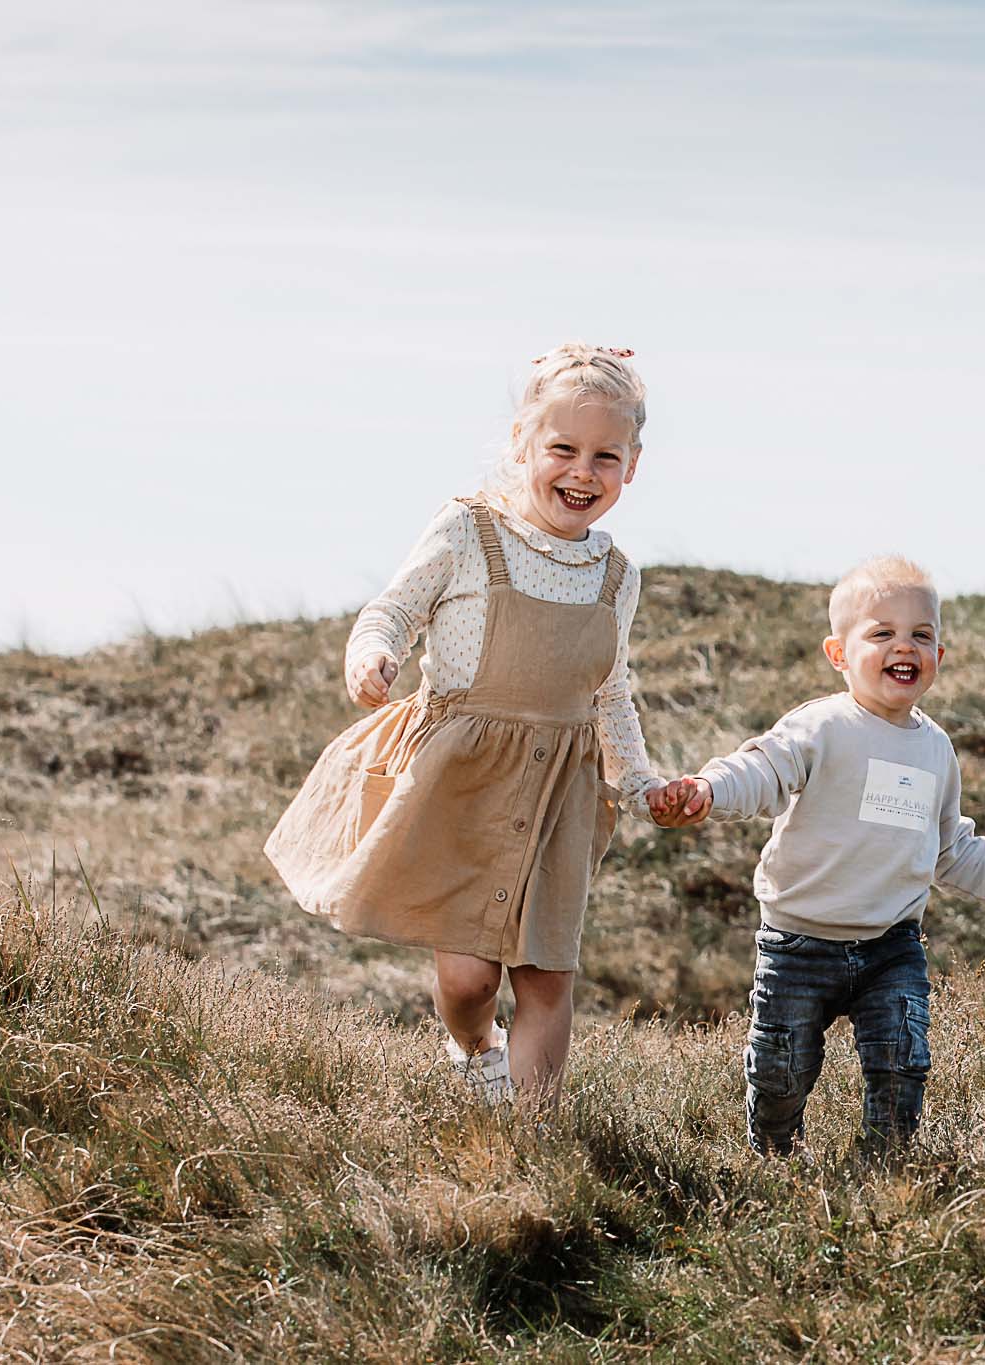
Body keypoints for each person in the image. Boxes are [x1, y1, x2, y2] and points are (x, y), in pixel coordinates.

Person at [267, 343, 690, 1106]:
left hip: (560, 793)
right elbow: (394, 608)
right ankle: (475, 1049)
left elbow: (611, 692)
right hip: (463, 781)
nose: (582, 472)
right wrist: (374, 652)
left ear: (633, 464)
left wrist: (640, 785)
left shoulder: (617, 575)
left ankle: (533, 1138)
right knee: (467, 979)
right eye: (562, 449)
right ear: (524, 443)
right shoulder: (468, 531)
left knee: (546, 975)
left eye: (606, 456)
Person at [650, 555, 985, 1155]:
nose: (905, 647)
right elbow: (761, 770)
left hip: (891, 944)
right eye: (882, 634)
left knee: (901, 1061)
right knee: (781, 1074)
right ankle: (771, 1152)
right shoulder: (820, 728)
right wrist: (710, 789)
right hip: (798, 943)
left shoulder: (936, 750)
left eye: (921, 635)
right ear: (839, 653)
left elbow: (951, 846)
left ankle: (884, 1162)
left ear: (939, 658)